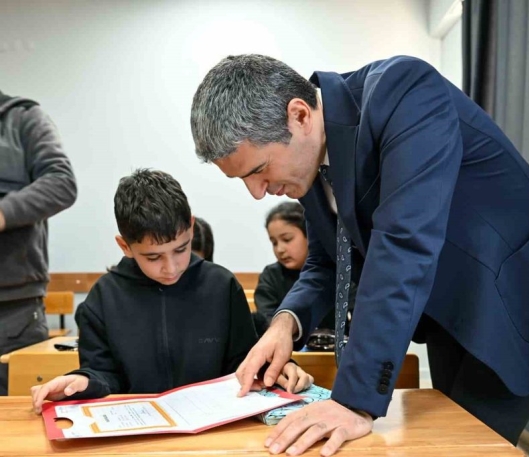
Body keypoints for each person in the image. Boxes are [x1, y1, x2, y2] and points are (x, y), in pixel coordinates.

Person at [190, 55, 529, 456]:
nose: (257, 192)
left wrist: (354, 401)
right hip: (453, 310)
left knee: (461, 446)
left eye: (258, 170)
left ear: (299, 115)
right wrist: (285, 324)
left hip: (520, 295)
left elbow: (403, 245)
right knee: (441, 438)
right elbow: (326, 261)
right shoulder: (307, 162)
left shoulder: (404, 92)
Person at [30, 169, 312, 412]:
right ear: (125, 246)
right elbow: (104, 374)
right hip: (139, 431)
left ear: (191, 227)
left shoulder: (222, 286)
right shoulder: (103, 298)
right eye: (153, 257)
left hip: (216, 427)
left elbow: (243, 362)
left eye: (181, 249)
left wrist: (275, 367)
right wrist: (85, 380)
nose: (171, 267)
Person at [0, 91, 77, 396]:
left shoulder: (24, 118)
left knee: (20, 413)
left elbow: (62, 182)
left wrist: (3, 213)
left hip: (13, 312)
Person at [254, 201, 348, 339]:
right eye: (274, 242)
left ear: (309, 236)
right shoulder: (270, 276)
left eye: (287, 239)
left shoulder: (339, 271)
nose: (280, 249)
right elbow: (266, 320)